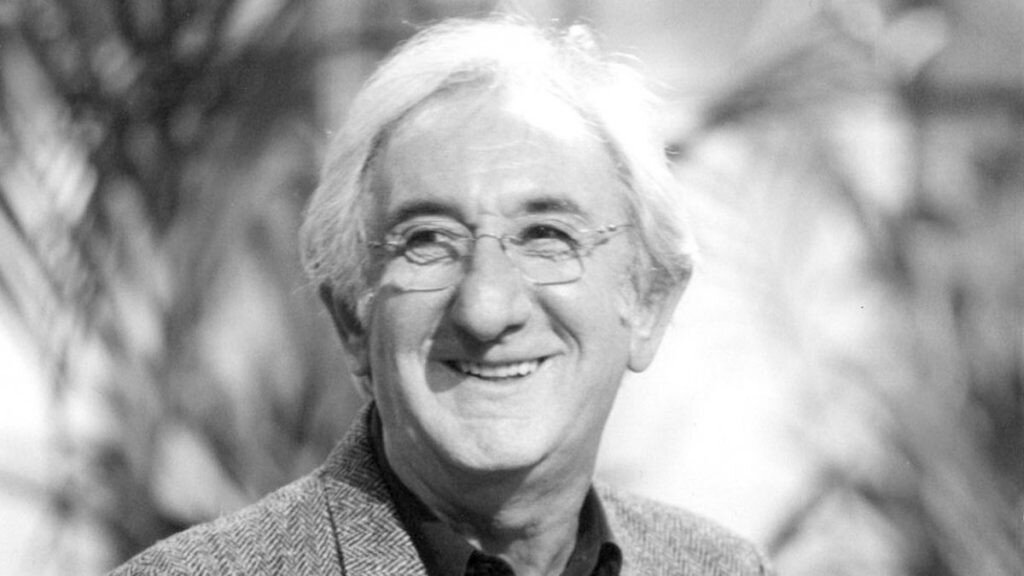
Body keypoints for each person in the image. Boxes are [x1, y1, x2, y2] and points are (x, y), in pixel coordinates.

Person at [111, 17, 771, 576]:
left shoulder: (722, 567)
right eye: (427, 241)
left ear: (649, 300)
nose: (485, 309)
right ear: (350, 318)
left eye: (547, 236)